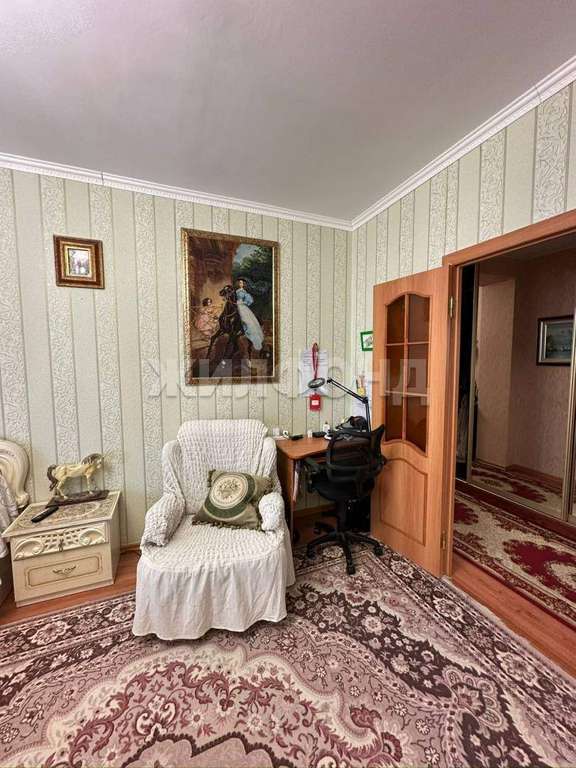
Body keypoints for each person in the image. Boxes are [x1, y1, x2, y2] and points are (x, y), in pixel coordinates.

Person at [235, 278, 264, 351]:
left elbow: (250, 301)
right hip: (235, 305)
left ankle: (243, 331)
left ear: (244, 284)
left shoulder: (244, 292)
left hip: (242, 306)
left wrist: (243, 302)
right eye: (239, 283)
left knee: (246, 319)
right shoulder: (236, 291)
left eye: (242, 283)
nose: (240, 284)